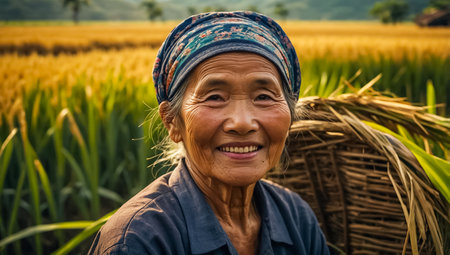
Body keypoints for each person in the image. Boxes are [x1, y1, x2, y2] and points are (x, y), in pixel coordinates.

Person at [88, 11, 329, 255]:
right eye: (214, 97)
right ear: (172, 122)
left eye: (264, 97)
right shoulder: (138, 242)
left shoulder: (297, 218)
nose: (242, 123)